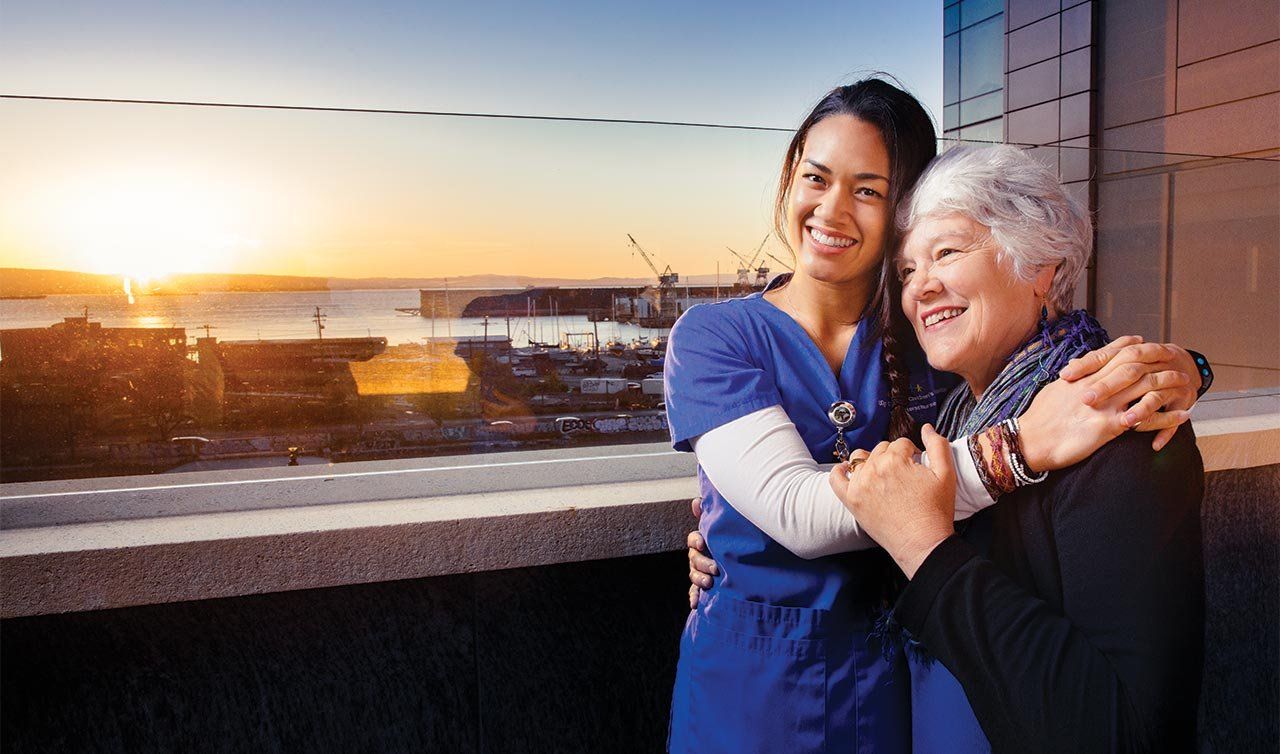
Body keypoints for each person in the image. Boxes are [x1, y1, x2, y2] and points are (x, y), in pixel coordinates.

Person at [665, 79, 1208, 754]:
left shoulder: (935, 350)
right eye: (815, 177)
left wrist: (1183, 368)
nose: (832, 208)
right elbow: (796, 512)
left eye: (867, 189)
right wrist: (1020, 447)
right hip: (753, 693)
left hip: (890, 687)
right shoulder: (721, 336)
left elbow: (1042, 355)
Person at [826, 144, 1204, 752]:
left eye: (946, 252)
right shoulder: (948, 423)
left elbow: (1124, 733)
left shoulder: (1126, 432)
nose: (920, 288)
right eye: (907, 270)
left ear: (1041, 266)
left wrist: (927, 548)